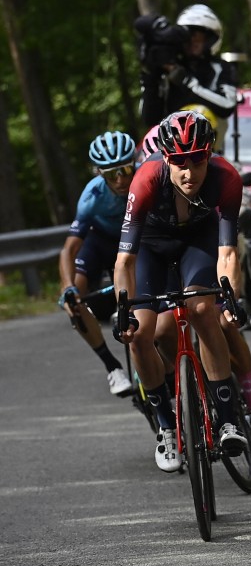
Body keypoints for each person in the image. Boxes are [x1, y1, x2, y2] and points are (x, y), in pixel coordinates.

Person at [114, 110, 251, 473]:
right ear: (165, 158)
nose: (189, 172)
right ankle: (165, 425)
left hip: (199, 243)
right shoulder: (145, 180)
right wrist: (123, 309)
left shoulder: (227, 179)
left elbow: (227, 254)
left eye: (197, 160)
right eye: (179, 162)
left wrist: (229, 298)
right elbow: (125, 262)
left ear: (210, 154)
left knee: (204, 310)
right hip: (152, 247)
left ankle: (226, 419)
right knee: (141, 334)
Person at [58, 131, 138, 397]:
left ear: (135, 163)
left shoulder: (147, 182)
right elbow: (70, 249)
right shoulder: (91, 196)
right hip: (101, 243)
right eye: (111, 173)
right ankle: (112, 367)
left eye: (126, 169)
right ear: (99, 173)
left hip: (136, 241)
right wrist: (68, 287)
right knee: (74, 299)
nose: (120, 179)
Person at [135, 4, 237, 130]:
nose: (192, 41)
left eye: (198, 36)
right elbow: (149, 118)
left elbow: (227, 105)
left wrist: (185, 81)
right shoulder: (169, 66)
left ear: (210, 38)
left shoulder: (221, 68)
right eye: (188, 36)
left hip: (210, 142)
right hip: (171, 142)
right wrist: (150, 75)